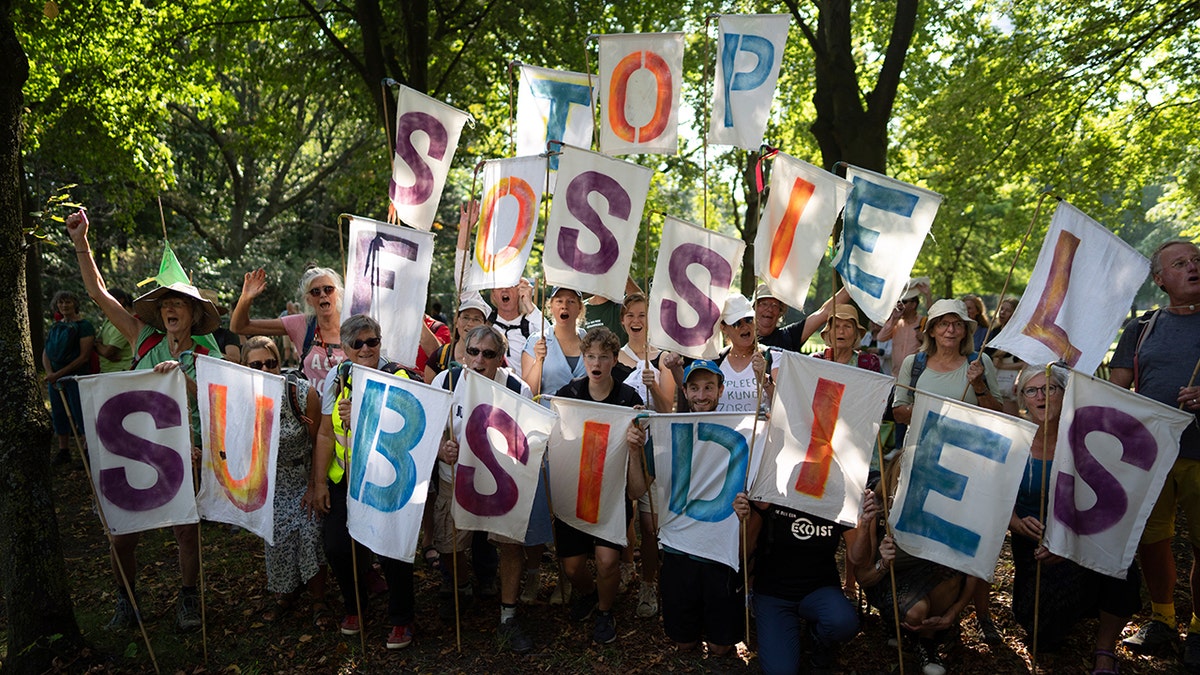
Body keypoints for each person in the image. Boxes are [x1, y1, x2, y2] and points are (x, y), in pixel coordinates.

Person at [66, 208, 220, 632]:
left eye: (179, 304)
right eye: (166, 304)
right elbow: (99, 293)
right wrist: (81, 239)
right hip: (133, 447)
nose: (171, 309)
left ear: (192, 313)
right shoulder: (142, 338)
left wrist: (184, 387)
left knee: (186, 532)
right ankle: (127, 602)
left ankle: (188, 600)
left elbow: (218, 407)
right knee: (121, 535)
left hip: (185, 451)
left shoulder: (210, 355)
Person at [1008, 365, 1140, 673]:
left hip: (1082, 539)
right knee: (1043, 635)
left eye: (1050, 388)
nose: (1041, 396)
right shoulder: (1013, 438)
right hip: (1035, 548)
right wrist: (1013, 522)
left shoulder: (1087, 437)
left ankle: (1105, 649)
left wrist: (1066, 541)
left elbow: (1109, 503)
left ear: (1064, 394)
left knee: (1122, 563)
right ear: (1023, 398)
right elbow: (990, 496)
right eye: (1032, 390)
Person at [1108, 240, 1200, 664]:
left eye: (1197, 260)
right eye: (1180, 263)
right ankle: (1163, 620)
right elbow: (1118, 390)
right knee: (1153, 539)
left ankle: (1199, 627)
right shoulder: (1140, 328)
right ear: (1160, 280)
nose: (1193, 266)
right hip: (1153, 455)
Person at [892, 298, 1001, 643]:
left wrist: (979, 385)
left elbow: (998, 412)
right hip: (922, 464)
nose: (950, 330)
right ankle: (917, 608)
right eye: (943, 324)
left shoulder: (978, 362)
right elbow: (898, 411)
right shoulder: (915, 363)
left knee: (968, 541)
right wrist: (936, 413)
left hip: (968, 468)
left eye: (957, 324)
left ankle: (980, 615)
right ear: (932, 330)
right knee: (919, 535)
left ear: (967, 330)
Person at [434, 325, 548, 653]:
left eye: (488, 354)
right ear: (463, 353)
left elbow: (528, 439)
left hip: (503, 483)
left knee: (510, 546)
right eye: (473, 352)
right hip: (455, 479)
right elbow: (432, 429)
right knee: (449, 546)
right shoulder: (447, 382)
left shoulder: (516, 388)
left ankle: (508, 617)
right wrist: (443, 448)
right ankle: (464, 587)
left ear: (500, 358)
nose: (479, 360)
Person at [307, 314, 418, 649]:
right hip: (346, 481)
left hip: (386, 480)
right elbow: (326, 433)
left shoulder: (399, 375)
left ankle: (402, 619)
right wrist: (320, 483)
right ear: (344, 348)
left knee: (390, 551)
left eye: (372, 341)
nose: (366, 348)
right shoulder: (337, 377)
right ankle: (355, 606)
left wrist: (364, 413)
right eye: (357, 343)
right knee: (338, 548)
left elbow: (410, 425)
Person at [552, 327, 648, 644]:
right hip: (576, 491)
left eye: (603, 357)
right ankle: (589, 594)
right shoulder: (568, 396)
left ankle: (605, 612)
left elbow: (637, 490)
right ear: (583, 358)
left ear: (613, 360)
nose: (596, 363)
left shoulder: (627, 399)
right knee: (572, 569)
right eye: (590, 356)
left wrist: (635, 444)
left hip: (610, 495)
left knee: (608, 562)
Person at [653, 360, 746, 657]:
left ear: (721, 390)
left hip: (719, 546)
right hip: (679, 545)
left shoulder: (742, 427)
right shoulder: (668, 429)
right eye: (694, 388)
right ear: (684, 390)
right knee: (684, 644)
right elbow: (641, 484)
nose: (701, 395)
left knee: (722, 648)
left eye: (709, 387)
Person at [241, 336, 331, 628]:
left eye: (271, 363)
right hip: (270, 482)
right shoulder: (240, 397)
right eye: (257, 365)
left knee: (310, 534)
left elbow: (320, 439)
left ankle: (319, 599)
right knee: (277, 539)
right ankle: (285, 594)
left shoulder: (301, 394)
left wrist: (315, 485)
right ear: (245, 367)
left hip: (304, 476)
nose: (266, 369)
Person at [853, 476, 975, 675]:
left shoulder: (945, 507)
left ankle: (927, 643)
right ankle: (894, 624)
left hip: (927, 578)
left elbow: (973, 570)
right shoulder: (878, 511)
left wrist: (952, 614)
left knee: (954, 571)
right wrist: (883, 563)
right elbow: (863, 577)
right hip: (888, 582)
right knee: (916, 611)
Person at [734, 486, 859, 672]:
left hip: (819, 589)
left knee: (843, 623)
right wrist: (745, 519)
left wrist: (864, 524)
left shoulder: (839, 497)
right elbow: (743, 552)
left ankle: (819, 638)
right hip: (773, 593)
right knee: (780, 670)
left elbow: (858, 557)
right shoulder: (769, 493)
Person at [616, 292, 674, 617]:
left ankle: (649, 584)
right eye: (630, 315)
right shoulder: (615, 357)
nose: (636, 321)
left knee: (649, 524)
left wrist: (653, 387)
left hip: (655, 450)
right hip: (623, 447)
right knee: (622, 515)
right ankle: (626, 565)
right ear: (622, 320)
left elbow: (669, 409)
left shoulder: (662, 358)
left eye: (642, 315)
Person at [231, 267, 346, 390]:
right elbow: (239, 327)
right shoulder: (302, 324)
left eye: (328, 289)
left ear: (337, 293)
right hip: (309, 407)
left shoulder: (352, 326)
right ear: (308, 300)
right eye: (315, 292)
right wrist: (246, 297)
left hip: (345, 408)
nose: (323, 295)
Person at [42, 289, 95, 465]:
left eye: (68, 302)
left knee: (81, 413)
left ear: (75, 304)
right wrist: (51, 374)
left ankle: (88, 452)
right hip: (56, 380)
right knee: (58, 413)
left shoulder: (84, 326)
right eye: (61, 302)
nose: (64, 305)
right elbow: (46, 352)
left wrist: (58, 374)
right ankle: (63, 451)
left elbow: (84, 357)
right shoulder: (56, 326)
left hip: (76, 378)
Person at [522, 286, 587, 400]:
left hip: (582, 416)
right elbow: (528, 393)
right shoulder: (536, 340)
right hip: (548, 414)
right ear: (551, 307)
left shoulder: (589, 341)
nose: (564, 306)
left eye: (571, 301)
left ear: (580, 308)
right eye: (559, 301)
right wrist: (538, 361)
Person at [753, 283, 850, 352]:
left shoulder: (789, 336)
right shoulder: (741, 338)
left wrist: (854, 284)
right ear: (753, 308)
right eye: (764, 304)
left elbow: (824, 312)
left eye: (775, 305)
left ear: (780, 312)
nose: (769, 309)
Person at [424, 295, 491, 383]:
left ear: (485, 325)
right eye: (466, 318)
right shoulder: (441, 356)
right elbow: (428, 390)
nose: (470, 323)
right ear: (456, 321)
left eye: (476, 319)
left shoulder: (492, 356)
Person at [879, 277, 931, 378]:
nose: (900, 305)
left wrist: (928, 295)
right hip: (896, 376)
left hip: (917, 377)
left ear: (914, 304)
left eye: (904, 302)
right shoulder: (896, 323)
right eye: (899, 301)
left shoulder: (923, 322)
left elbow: (934, 316)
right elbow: (881, 338)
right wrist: (894, 318)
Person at [984, 297, 1023, 415]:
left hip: (1008, 383)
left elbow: (1025, 363)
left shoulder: (1019, 335)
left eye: (1007, 310)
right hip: (992, 380)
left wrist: (1001, 366)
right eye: (1001, 309)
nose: (1002, 312)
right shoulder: (994, 331)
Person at [813, 305, 882, 372]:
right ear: (829, 333)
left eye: (847, 326)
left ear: (856, 334)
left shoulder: (869, 364)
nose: (841, 331)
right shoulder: (816, 361)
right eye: (836, 326)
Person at [94, 288, 134, 372]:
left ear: (120, 301)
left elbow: (107, 352)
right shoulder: (109, 319)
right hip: (106, 370)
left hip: (121, 372)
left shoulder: (125, 322)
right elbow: (96, 342)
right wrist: (98, 346)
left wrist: (100, 347)